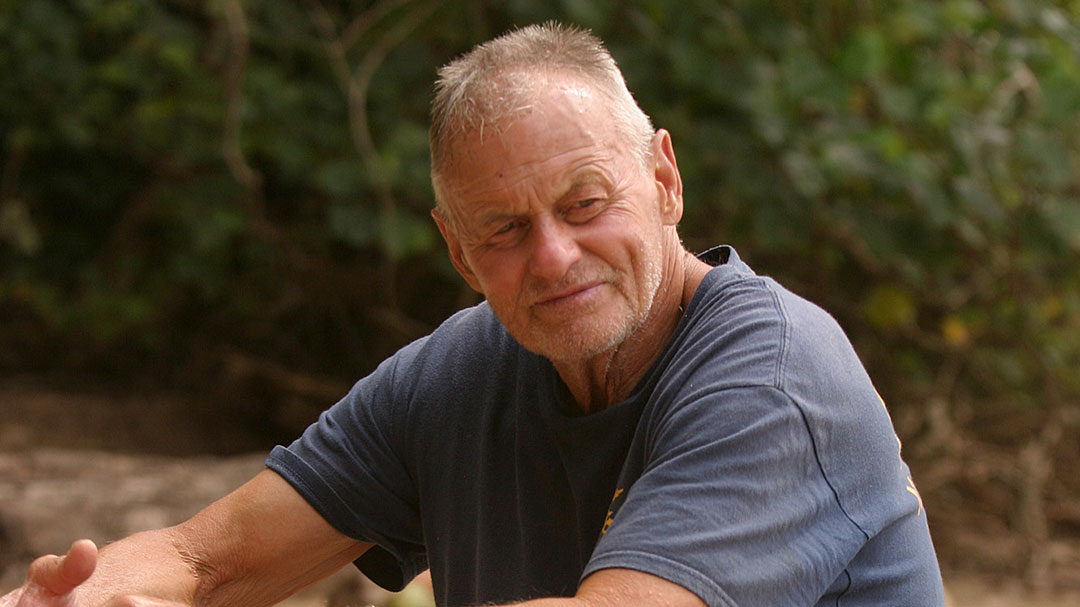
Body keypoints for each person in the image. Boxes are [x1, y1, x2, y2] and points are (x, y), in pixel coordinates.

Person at [1, 22, 946, 607]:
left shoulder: (776, 374)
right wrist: (90, 595)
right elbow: (205, 562)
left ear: (664, 181)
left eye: (584, 204)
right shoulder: (458, 371)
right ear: (456, 250)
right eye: (504, 229)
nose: (553, 256)